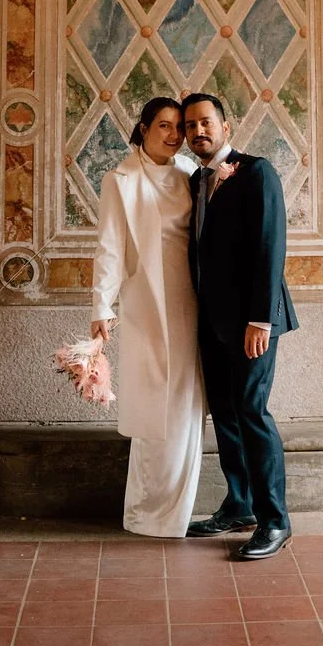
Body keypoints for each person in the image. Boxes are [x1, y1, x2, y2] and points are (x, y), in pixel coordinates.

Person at [182, 92, 299, 560]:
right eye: (190, 126)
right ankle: (239, 504)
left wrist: (260, 319)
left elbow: (271, 247)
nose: (198, 132)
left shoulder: (256, 172)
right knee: (225, 415)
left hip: (254, 322)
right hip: (211, 322)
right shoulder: (196, 180)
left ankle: (276, 521)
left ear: (226, 127)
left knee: (252, 412)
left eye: (206, 123)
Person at [90, 96, 205, 538]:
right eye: (164, 126)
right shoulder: (119, 179)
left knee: (184, 401)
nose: (175, 135)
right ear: (142, 129)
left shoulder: (191, 174)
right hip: (146, 299)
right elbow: (110, 246)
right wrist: (102, 306)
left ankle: (177, 511)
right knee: (153, 400)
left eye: (179, 127)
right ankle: (145, 512)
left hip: (192, 297)